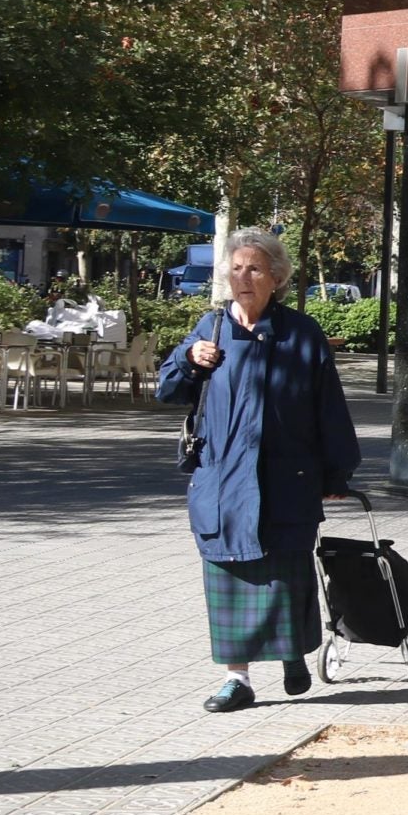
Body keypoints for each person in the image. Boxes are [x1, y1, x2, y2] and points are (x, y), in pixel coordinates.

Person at [157, 227, 360, 713]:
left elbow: (328, 408)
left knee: (287, 576)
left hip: (286, 480)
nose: (242, 276)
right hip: (223, 483)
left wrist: (336, 473)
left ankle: (291, 651)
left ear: (276, 278)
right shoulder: (210, 329)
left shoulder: (301, 334)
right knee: (229, 573)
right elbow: (166, 389)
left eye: (254, 268)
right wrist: (188, 362)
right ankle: (237, 680)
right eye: (236, 267)